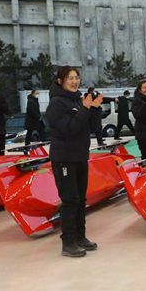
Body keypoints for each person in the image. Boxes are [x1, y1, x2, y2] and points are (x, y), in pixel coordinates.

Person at [45, 66, 100, 258]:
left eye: (77, 78)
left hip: (80, 156)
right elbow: (70, 128)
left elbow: (91, 128)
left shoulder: (77, 100)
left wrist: (94, 109)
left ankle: (80, 236)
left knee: (81, 199)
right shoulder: (56, 103)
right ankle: (68, 242)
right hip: (64, 158)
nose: (75, 81)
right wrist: (85, 109)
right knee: (70, 200)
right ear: (61, 81)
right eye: (70, 78)